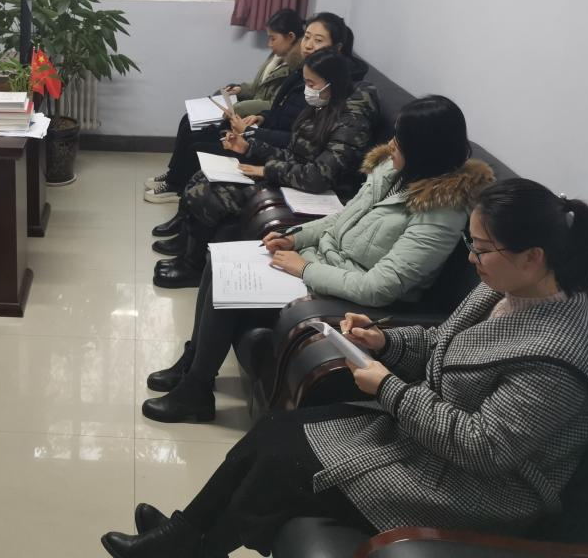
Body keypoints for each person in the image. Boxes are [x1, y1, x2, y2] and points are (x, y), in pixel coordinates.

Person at [104, 178, 588, 557]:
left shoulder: (557, 354)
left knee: (284, 467)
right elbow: (440, 342)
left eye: (482, 248)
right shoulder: (503, 290)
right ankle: (186, 535)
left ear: (533, 257)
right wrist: (384, 341)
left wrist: (390, 389)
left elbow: (484, 447)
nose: (472, 258)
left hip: (478, 490)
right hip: (426, 442)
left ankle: (188, 543)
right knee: (276, 431)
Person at [144, 96, 494, 422]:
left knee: (230, 285)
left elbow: (381, 287)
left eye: (400, 141)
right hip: (323, 266)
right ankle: (194, 365)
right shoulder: (392, 172)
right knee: (221, 264)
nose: (390, 145)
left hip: (354, 297)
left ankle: (195, 391)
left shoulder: (441, 210)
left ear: (424, 150)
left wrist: (306, 269)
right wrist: (294, 237)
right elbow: (342, 219)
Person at [154, 49, 376, 289]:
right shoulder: (322, 107)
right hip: (295, 177)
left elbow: (319, 176)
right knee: (202, 177)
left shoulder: (351, 122)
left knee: (210, 193)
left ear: (333, 83)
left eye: (312, 84)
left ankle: (195, 268)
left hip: (319, 194)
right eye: (305, 82)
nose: (307, 90)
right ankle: (190, 253)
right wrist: (250, 147)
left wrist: (266, 170)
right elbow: (295, 153)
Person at [144, 9, 305, 205]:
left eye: (273, 38)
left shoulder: (297, 70)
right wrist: (239, 89)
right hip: (250, 116)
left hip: (249, 120)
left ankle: (176, 184)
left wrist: (240, 108)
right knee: (188, 119)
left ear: (291, 37)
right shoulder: (277, 57)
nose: (269, 44)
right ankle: (173, 174)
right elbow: (258, 87)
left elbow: (273, 104)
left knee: (197, 138)